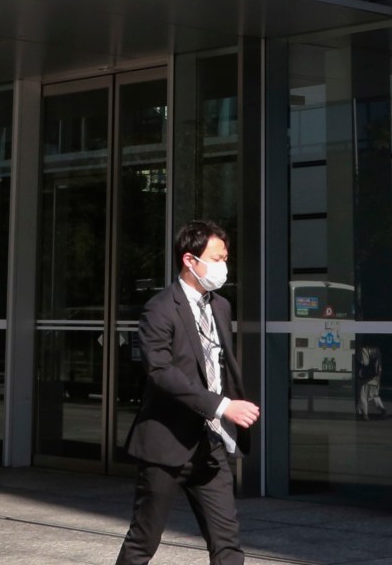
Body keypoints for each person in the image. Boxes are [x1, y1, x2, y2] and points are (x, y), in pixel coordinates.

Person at [115, 219, 257, 565]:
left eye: (226, 258)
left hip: (210, 444)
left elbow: (218, 364)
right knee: (143, 540)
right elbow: (161, 372)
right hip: (167, 444)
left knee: (227, 543)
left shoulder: (220, 306)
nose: (224, 266)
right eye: (217, 258)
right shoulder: (160, 308)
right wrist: (222, 406)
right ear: (190, 260)